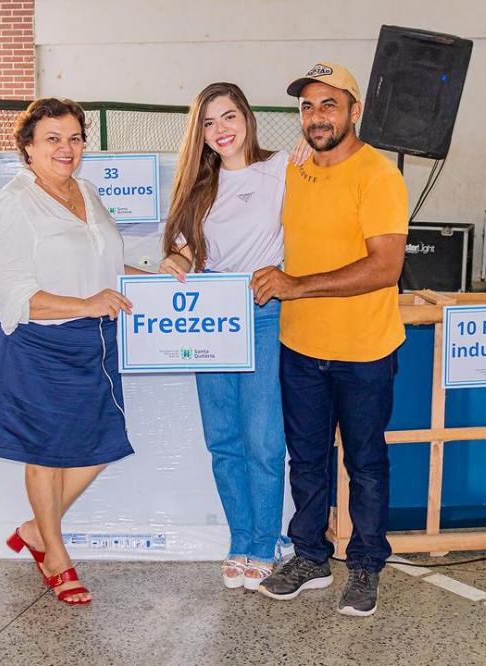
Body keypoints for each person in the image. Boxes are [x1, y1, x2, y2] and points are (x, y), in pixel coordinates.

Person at [251, 63, 408, 617]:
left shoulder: (378, 175)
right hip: (301, 347)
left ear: (354, 111)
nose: (317, 117)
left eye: (329, 105)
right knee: (307, 460)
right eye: (308, 107)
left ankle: (365, 565)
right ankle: (311, 556)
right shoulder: (294, 170)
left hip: (364, 351)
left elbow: (385, 267)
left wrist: (296, 285)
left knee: (365, 462)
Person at [0, 97, 144, 606]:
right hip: (37, 345)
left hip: (93, 342)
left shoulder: (86, 192)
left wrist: (155, 278)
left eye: (74, 138)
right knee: (45, 455)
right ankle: (55, 554)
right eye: (52, 138)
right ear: (28, 147)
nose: (65, 148)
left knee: (101, 446)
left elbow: (104, 268)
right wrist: (87, 303)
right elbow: (12, 295)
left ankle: (35, 529)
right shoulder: (13, 204)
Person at [159, 82, 307, 591]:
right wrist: (175, 262)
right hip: (213, 316)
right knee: (223, 439)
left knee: (263, 438)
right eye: (208, 122)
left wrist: (310, 149)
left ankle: (265, 542)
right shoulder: (198, 186)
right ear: (199, 133)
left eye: (228, 116)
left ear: (246, 117)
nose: (220, 129)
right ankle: (240, 539)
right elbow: (184, 250)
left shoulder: (280, 167)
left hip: (263, 313)